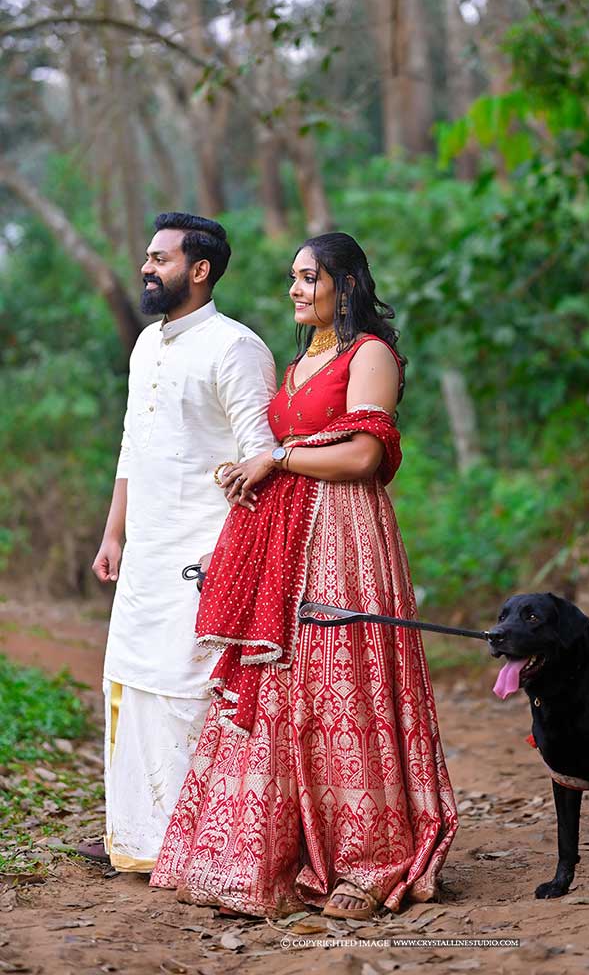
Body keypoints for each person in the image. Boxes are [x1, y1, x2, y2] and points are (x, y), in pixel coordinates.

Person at [151, 232, 458, 918]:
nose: (295, 290)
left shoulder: (368, 354)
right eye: (292, 278)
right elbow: (284, 447)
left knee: (340, 685)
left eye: (308, 278)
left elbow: (361, 460)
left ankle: (366, 861)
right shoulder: (297, 363)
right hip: (283, 542)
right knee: (284, 691)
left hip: (344, 539)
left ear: (345, 285)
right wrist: (250, 473)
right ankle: (277, 856)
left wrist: (278, 461)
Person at [89, 213, 277, 873]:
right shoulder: (146, 346)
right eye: (147, 256)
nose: (147, 268)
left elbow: (264, 458)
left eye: (160, 258)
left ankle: (196, 840)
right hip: (144, 552)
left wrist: (227, 553)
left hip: (203, 558)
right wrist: (114, 533)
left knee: (186, 695)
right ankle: (137, 839)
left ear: (199, 270)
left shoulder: (237, 348)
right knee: (134, 688)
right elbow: (131, 448)